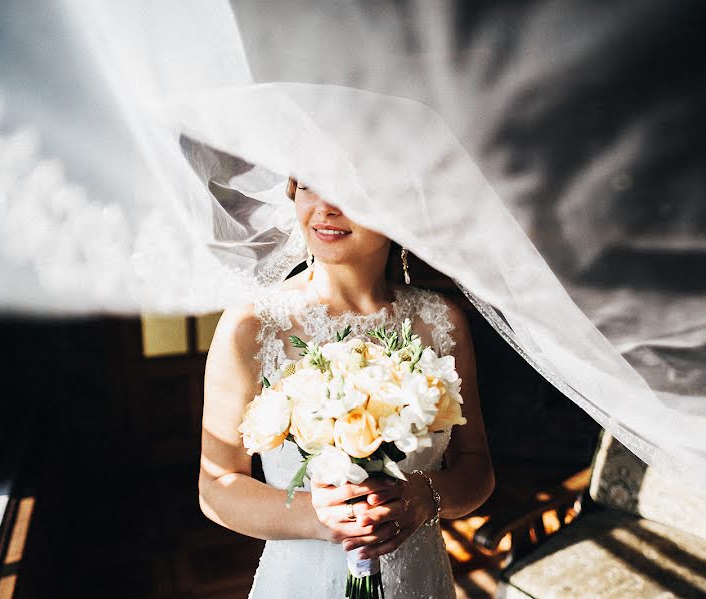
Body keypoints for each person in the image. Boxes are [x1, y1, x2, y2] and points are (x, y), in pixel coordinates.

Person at [199, 177, 495, 598]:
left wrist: (425, 496)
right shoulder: (251, 326)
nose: (325, 207)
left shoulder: (442, 322)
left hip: (418, 578)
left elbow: (478, 469)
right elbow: (215, 487)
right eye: (308, 184)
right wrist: (315, 517)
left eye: (349, 186)